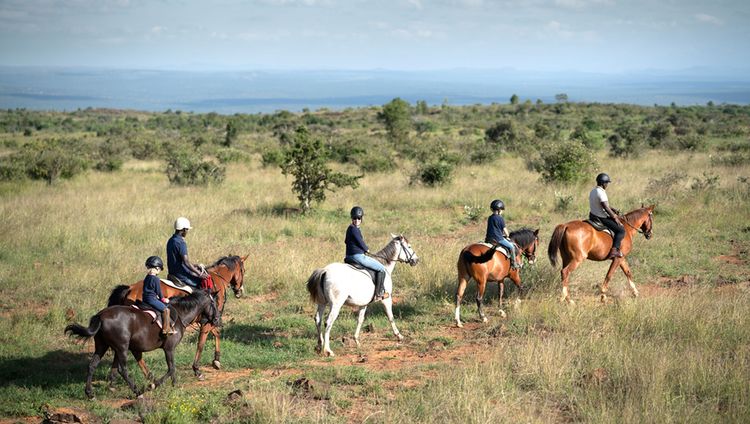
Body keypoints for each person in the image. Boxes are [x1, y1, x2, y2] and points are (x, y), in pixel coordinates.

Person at [344, 206, 388, 301]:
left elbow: (347, 241)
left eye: (358, 218)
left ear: (361, 219)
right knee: (381, 269)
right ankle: (379, 293)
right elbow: (359, 241)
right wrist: (366, 249)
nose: (356, 220)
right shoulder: (354, 229)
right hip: (357, 256)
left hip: (349, 256)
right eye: (354, 218)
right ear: (352, 218)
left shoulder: (349, 228)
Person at [589, 173, 626, 259]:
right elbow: (605, 207)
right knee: (621, 230)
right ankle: (614, 251)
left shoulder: (593, 191)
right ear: (603, 183)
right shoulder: (601, 192)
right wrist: (615, 217)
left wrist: (613, 210)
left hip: (592, 215)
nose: (607, 185)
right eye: (607, 183)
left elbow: (602, 204)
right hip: (601, 217)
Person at [166, 217, 208, 288]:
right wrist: (200, 274)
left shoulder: (171, 240)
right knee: (201, 284)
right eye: (187, 229)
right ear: (184, 229)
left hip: (172, 273)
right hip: (181, 275)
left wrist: (195, 265)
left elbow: (179, 260)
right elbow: (186, 262)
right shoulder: (181, 243)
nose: (187, 231)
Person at [142, 256, 175, 335]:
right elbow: (158, 291)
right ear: (157, 268)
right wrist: (163, 299)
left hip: (145, 298)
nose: (159, 271)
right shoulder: (156, 279)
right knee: (166, 310)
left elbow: (148, 289)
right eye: (160, 269)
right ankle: (166, 329)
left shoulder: (147, 277)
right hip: (151, 299)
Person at [484, 199, 520, 269]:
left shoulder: (490, 218)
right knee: (511, 247)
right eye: (502, 210)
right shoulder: (500, 219)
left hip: (489, 239)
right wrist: (507, 235)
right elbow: (505, 231)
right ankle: (514, 264)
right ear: (499, 210)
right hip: (498, 239)